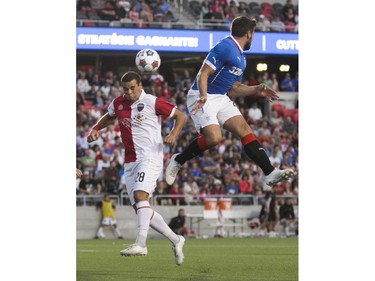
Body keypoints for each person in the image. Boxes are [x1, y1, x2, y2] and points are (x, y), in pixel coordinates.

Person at [165, 16, 294, 189]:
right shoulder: (225, 47)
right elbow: (204, 74)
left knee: (244, 130)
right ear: (249, 33)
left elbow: (233, 87)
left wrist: (256, 89)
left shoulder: (241, 57)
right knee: (214, 138)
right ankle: (178, 159)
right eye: (253, 34)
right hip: (201, 95)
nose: (253, 37)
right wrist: (203, 95)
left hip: (220, 96)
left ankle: (269, 173)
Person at [87, 71, 186, 265]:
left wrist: (173, 134)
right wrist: (96, 129)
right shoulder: (118, 103)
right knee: (141, 208)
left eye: (133, 88)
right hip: (130, 161)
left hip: (150, 156)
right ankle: (176, 239)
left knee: (141, 197)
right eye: (125, 89)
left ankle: (141, 244)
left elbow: (180, 116)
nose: (129, 92)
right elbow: (109, 116)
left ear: (140, 86)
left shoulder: (152, 101)